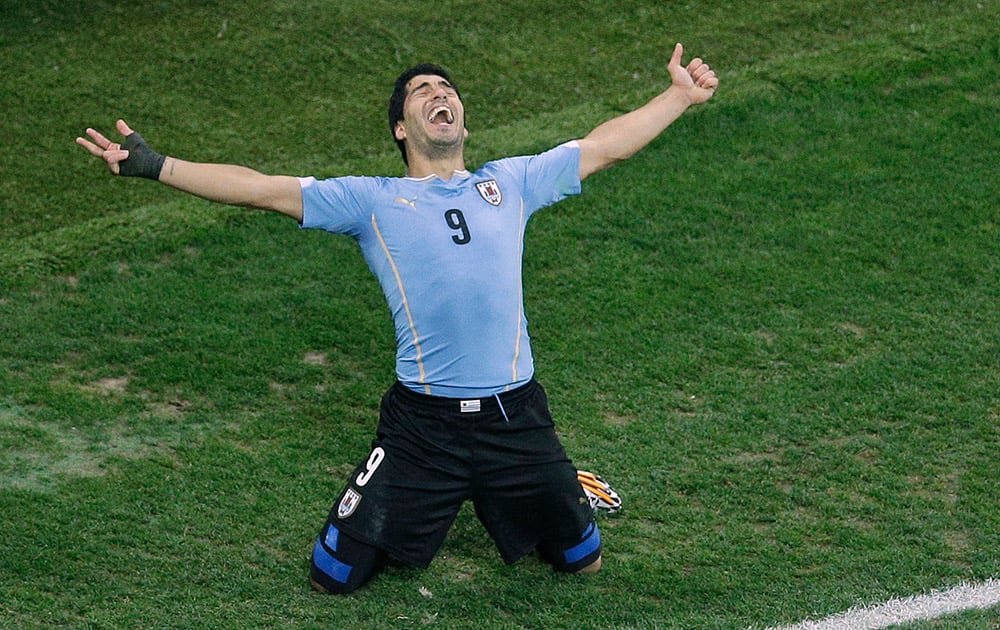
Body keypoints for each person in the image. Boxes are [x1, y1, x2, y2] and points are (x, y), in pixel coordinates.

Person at [77, 43, 718, 594]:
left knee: (582, 564)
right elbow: (257, 187)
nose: (439, 95)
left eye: (446, 89)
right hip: (423, 430)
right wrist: (153, 165)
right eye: (421, 92)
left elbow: (606, 146)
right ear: (401, 129)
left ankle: (554, 480)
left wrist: (678, 97)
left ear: (461, 117)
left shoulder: (513, 182)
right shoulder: (372, 201)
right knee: (332, 575)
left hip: (514, 417)